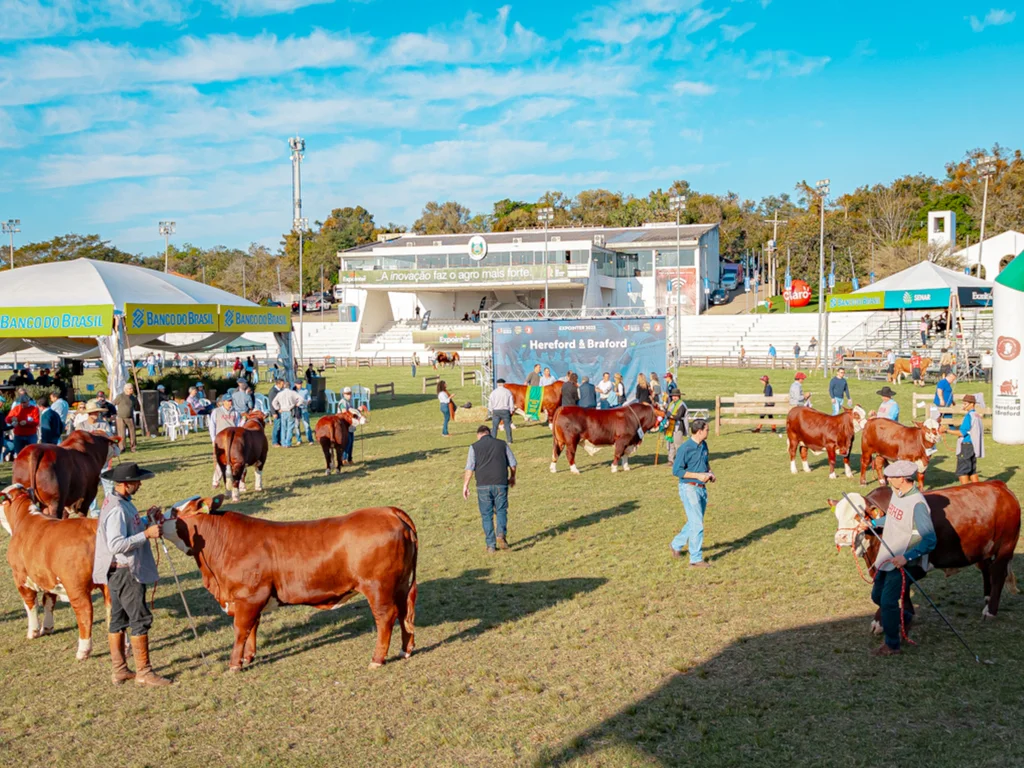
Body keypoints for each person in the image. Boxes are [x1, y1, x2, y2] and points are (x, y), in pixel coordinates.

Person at [92, 462, 171, 685]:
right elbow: (117, 544)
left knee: (118, 620)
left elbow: (129, 529)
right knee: (139, 619)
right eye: (137, 482)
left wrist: (146, 520)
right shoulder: (118, 508)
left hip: (117, 573)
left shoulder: (118, 502)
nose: (139, 485)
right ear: (126, 484)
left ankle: (119, 670)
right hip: (126, 572)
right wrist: (146, 534)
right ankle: (144, 673)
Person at [865, 460, 936, 657]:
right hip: (887, 557)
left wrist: (906, 557)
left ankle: (892, 645)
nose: (888, 479)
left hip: (904, 562)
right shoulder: (897, 494)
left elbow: (930, 539)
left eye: (892, 477)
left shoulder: (918, 504)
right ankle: (904, 617)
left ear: (903, 479)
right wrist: (873, 523)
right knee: (877, 597)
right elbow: (893, 517)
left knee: (887, 602)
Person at [462, 425, 517, 553]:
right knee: (501, 510)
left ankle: (491, 545)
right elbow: (513, 463)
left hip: (483, 485)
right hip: (501, 483)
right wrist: (512, 477)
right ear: (489, 433)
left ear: (478, 435)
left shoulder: (474, 447)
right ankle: (501, 534)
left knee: (486, 515)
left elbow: (470, 468)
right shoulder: (502, 444)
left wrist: (465, 485)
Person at [670, 417, 714, 569]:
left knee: (694, 521)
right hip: (689, 488)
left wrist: (709, 473)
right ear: (700, 431)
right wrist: (698, 476)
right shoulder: (685, 448)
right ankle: (695, 559)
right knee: (697, 524)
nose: (709, 432)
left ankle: (676, 544)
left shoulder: (703, 445)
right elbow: (677, 471)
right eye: (707, 430)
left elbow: (705, 463)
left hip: (702, 488)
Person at [954, 394, 984, 484]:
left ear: (972, 404)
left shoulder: (969, 416)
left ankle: (966, 492)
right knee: (972, 471)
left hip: (966, 446)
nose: (963, 405)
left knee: (962, 471)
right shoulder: (977, 415)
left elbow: (961, 433)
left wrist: (946, 431)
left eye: (965, 403)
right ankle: (977, 491)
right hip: (974, 446)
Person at [5, 389, 39, 458]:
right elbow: (7, 419)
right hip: (19, 434)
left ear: (28, 401)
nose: (23, 404)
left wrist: (27, 423)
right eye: (21, 403)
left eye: (24, 402)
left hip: (30, 434)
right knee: (19, 454)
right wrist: (12, 419)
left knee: (33, 453)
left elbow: (36, 422)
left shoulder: (34, 409)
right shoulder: (16, 408)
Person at [272, 378, 303, 448]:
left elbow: (274, 402)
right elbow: (301, 399)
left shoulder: (280, 393)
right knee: (290, 427)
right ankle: (288, 443)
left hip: (283, 411)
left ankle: (283, 443)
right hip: (290, 410)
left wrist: (278, 408)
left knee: (283, 428)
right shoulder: (292, 393)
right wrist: (297, 404)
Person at [113, 383, 138, 453]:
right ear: (126, 389)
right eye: (130, 388)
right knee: (122, 434)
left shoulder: (133, 398)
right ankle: (122, 448)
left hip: (130, 417)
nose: (132, 390)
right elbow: (113, 404)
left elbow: (136, 406)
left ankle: (133, 448)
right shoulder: (120, 396)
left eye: (132, 388)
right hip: (120, 418)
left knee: (132, 433)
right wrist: (115, 413)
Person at [488, 379, 515, 443]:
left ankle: (493, 440)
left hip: (496, 411)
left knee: (494, 426)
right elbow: (511, 402)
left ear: (497, 384)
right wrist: (511, 409)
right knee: (507, 426)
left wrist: (491, 409)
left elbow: (490, 402)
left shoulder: (494, 392)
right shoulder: (508, 392)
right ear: (504, 384)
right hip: (505, 410)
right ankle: (509, 440)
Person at [665, 390, 688, 461]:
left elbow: (679, 416)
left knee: (678, 444)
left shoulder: (682, 405)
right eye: (673, 396)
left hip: (678, 426)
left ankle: (680, 460)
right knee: (671, 444)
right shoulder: (671, 404)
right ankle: (671, 460)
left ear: (679, 396)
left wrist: (670, 416)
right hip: (670, 426)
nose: (674, 397)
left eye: (676, 396)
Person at [267, 379, 284, 447]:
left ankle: (279, 441)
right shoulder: (273, 391)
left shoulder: (279, 390)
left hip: (280, 410)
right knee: (277, 427)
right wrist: (273, 413)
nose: (283, 385)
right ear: (278, 384)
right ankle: (275, 442)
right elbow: (271, 403)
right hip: (276, 412)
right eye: (282, 384)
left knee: (280, 427)